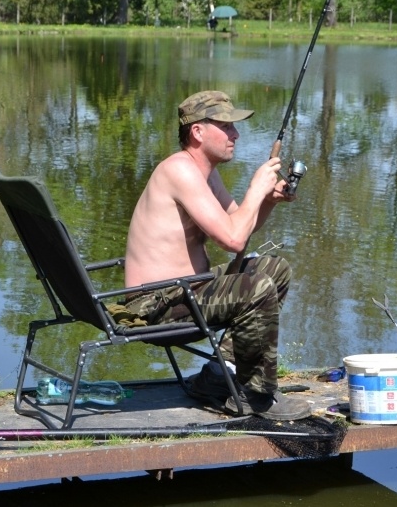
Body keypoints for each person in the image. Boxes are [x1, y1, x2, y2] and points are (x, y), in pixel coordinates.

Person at [123, 90, 311, 421]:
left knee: (273, 269)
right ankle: (257, 394)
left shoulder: (206, 173)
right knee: (256, 287)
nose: (236, 135)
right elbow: (232, 239)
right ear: (197, 131)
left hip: (188, 291)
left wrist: (267, 199)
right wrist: (255, 188)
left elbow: (240, 228)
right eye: (226, 126)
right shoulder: (179, 171)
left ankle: (217, 374)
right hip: (157, 305)